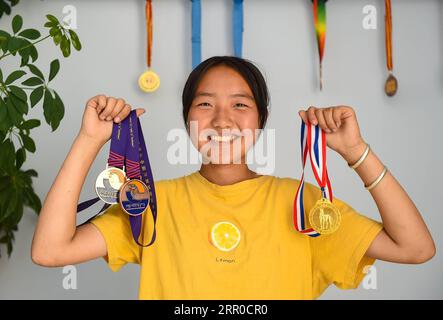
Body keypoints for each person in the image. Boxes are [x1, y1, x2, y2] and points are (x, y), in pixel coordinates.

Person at [31, 56, 435, 299]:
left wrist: (355, 152)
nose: (222, 119)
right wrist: (89, 140)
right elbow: (49, 251)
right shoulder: (153, 202)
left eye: (240, 105)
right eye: (205, 104)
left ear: (260, 120)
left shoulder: (304, 204)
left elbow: (416, 247)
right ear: (188, 119)